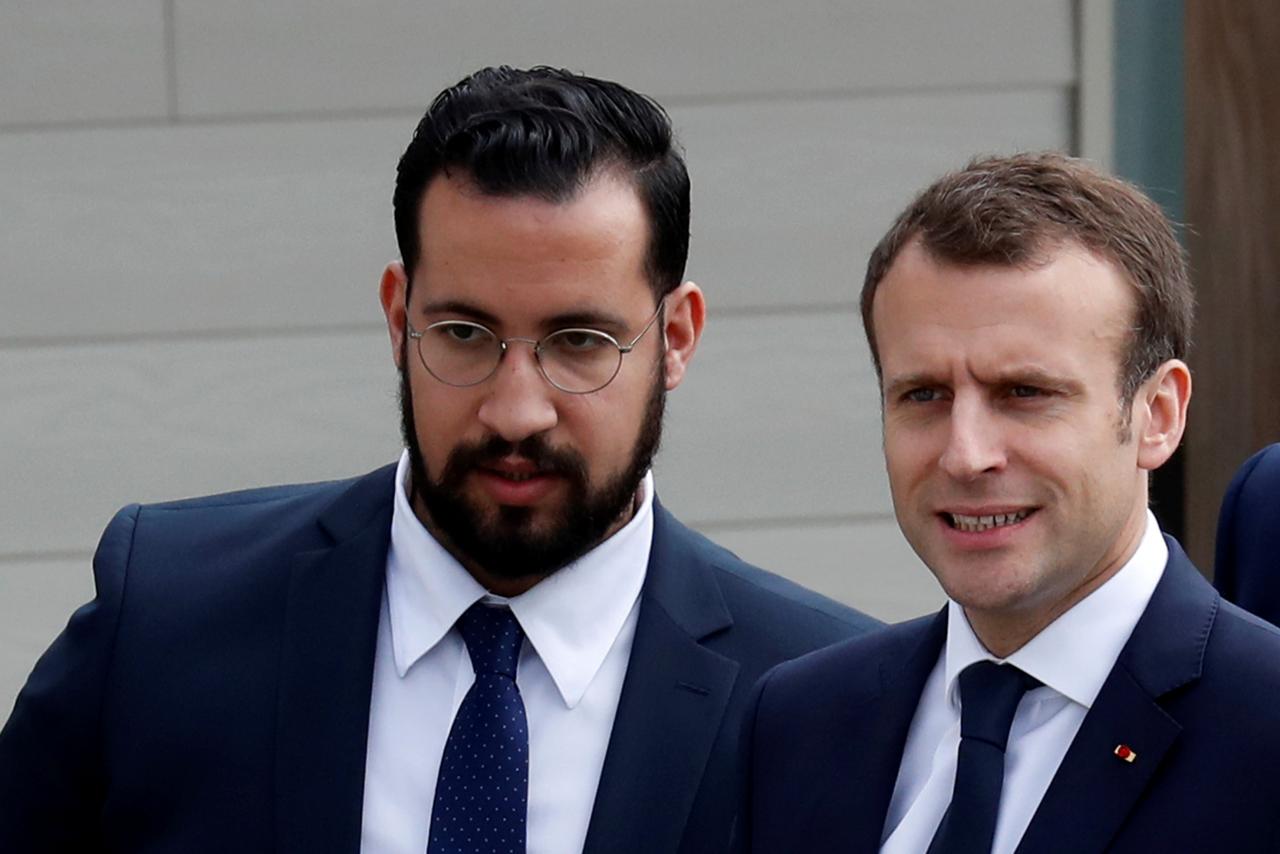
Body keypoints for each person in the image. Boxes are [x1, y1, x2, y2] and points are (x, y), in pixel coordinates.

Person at [0, 66, 876, 854]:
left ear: (675, 338)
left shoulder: (822, 703)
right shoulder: (166, 611)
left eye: (580, 343)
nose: (517, 410)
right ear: (397, 317)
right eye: (464, 334)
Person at [739, 153, 1280, 853]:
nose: (966, 454)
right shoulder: (800, 720)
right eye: (923, 395)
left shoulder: (1263, 730)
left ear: (1159, 415)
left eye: (1024, 394)